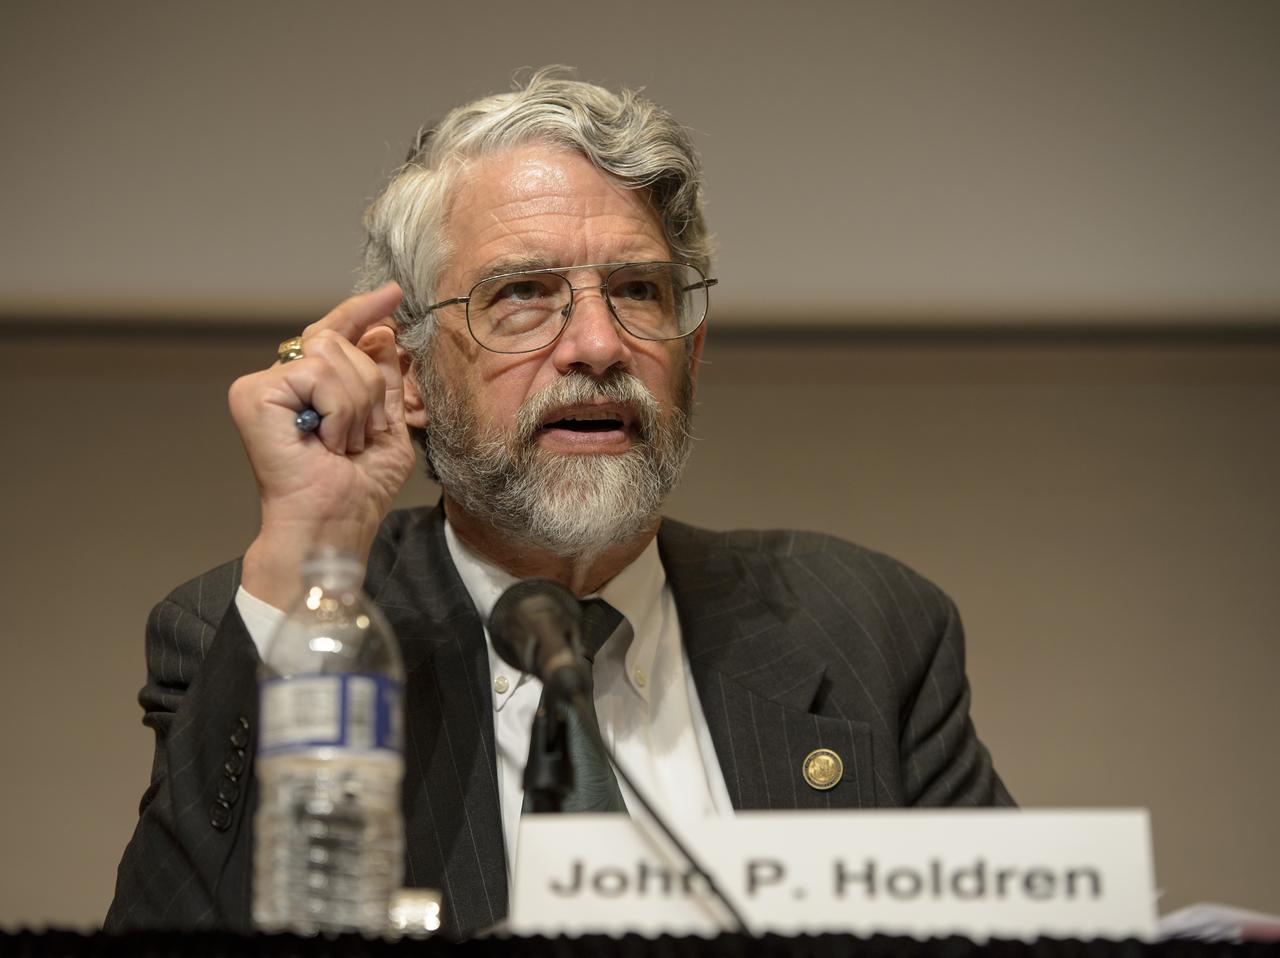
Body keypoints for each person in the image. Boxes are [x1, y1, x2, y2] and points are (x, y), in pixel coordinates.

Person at [106, 67, 1012, 939]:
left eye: (638, 292)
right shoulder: (260, 628)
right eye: (523, 297)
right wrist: (306, 559)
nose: (596, 343)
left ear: (691, 360)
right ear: (410, 377)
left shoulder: (865, 627)